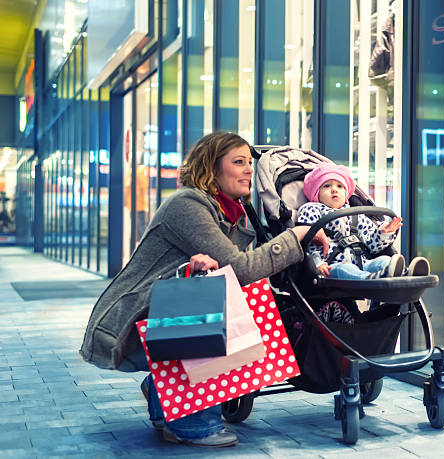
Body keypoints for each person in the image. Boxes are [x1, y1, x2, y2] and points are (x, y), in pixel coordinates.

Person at [80, 131, 328, 447]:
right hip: (136, 320)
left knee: (237, 305)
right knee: (217, 308)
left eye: (249, 163)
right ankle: (191, 423)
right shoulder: (188, 205)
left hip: (166, 316)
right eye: (238, 163)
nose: (249, 170)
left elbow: (234, 270)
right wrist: (297, 236)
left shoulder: (234, 212)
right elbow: (240, 270)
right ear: (211, 168)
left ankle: (165, 390)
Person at [297, 162, 405, 280]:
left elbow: (372, 245)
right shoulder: (312, 209)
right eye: (327, 186)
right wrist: (317, 263)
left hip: (362, 263)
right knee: (346, 269)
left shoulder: (355, 215)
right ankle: (370, 279)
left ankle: (403, 273)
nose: (334, 189)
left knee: (384, 260)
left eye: (339, 186)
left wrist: (384, 233)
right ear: (316, 193)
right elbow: (306, 243)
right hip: (331, 266)